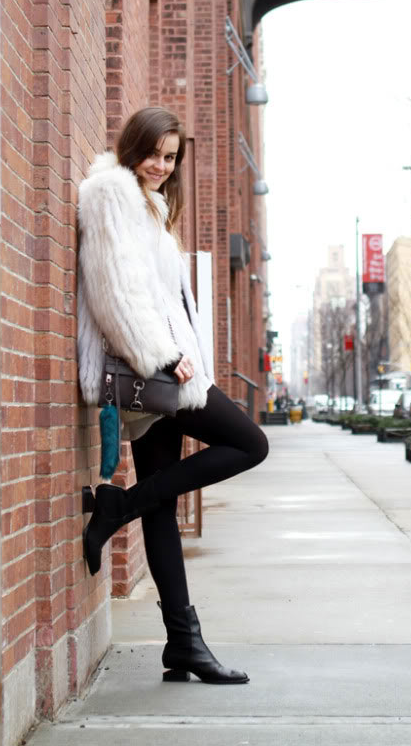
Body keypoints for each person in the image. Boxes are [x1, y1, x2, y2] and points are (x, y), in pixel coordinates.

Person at [76, 106, 269, 684]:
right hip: (156, 372)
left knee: (161, 505)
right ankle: (120, 507)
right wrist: (162, 357)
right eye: (154, 153)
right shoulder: (111, 196)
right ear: (133, 146)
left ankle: (183, 643)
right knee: (250, 444)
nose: (161, 166)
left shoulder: (151, 206)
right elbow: (116, 291)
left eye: (170, 157)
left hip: (165, 373)